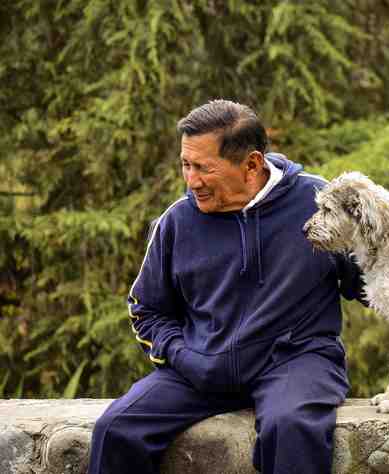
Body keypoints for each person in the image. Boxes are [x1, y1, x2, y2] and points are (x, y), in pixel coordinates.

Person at [88, 100, 366, 474]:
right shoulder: (177, 222)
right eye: (186, 165)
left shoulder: (318, 203)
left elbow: (375, 279)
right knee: (115, 430)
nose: (191, 180)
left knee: (291, 428)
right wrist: (187, 357)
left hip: (296, 362)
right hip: (201, 367)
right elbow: (147, 310)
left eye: (204, 168)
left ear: (251, 164)